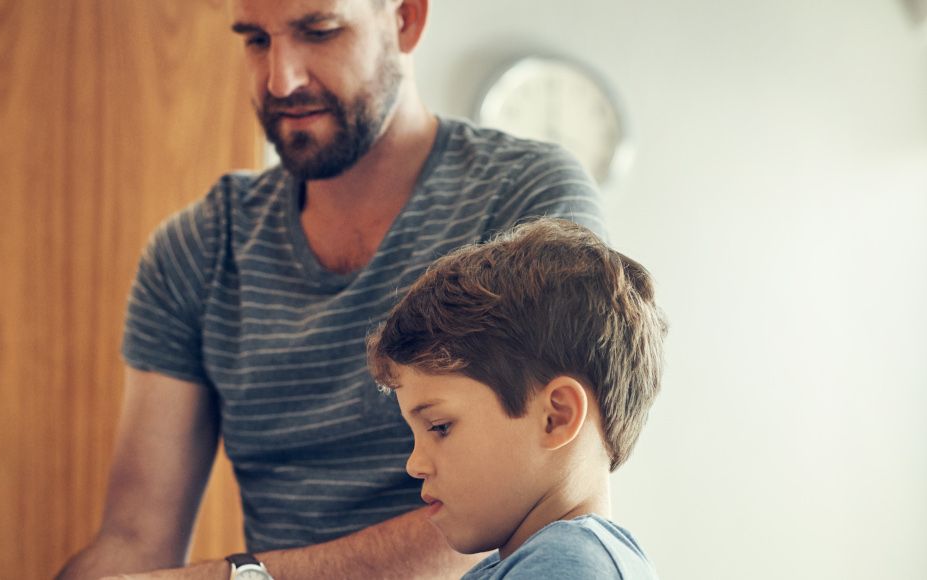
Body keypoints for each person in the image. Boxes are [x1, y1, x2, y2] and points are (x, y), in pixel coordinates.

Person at [56, 0, 605, 577]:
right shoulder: (197, 248)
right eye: (255, 40)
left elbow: (542, 493)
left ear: (406, 19)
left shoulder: (527, 202)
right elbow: (136, 538)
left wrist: (240, 577)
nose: (281, 79)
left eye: (318, 32)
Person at [365, 218, 667, 579]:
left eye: (440, 427)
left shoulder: (568, 565)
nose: (415, 465)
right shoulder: (525, 563)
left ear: (557, 417)